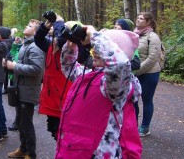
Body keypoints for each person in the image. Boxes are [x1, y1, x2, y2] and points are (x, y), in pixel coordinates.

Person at [56, 27, 142, 158]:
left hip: (97, 152)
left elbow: (119, 64)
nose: (95, 51)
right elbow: (69, 67)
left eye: (99, 48)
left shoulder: (116, 85)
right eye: (94, 47)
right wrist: (71, 46)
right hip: (74, 147)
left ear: (114, 51)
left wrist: (94, 35)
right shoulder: (90, 75)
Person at [5, 19, 45, 159]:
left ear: (36, 32)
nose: (26, 26)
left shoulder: (36, 47)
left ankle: (30, 154)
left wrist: (14, 66)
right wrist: (10, 64)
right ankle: (23, 149)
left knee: (26, 124)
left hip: (28, 91)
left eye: (29, 25)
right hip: (20, 89)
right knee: (21, 122)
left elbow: (37, 69)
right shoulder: (25, 45)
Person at [34, 15, 74, 140]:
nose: (58, 31)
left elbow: (62, 40)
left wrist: (59, 22)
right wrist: (45, 26)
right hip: (52, 93)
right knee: (54, 129)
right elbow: (38, 39)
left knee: (63, 132)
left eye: (63, 29)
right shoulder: (51, 45)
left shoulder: (71, 48)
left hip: (63, 95)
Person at [133, 12, 162, 136]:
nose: (138, 20)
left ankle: (145, 127)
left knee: (147, 100)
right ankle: (132, 125)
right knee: (132, 99)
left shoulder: (153, 37)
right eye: (137, 17)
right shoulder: (134, 34)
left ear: (148, 22)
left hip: (150, 73)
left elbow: (153, 58)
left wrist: (137, 70)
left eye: (141, 18)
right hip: (135, 72)